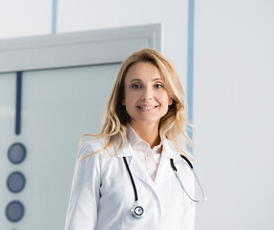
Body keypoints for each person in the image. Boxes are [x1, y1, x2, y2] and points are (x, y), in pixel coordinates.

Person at [65, 48, 196, 230]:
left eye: (158, 85)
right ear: (123, 98)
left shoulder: (183, 163)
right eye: (136, 86)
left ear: (171, 97)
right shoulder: (97, 154)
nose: (147, 96)